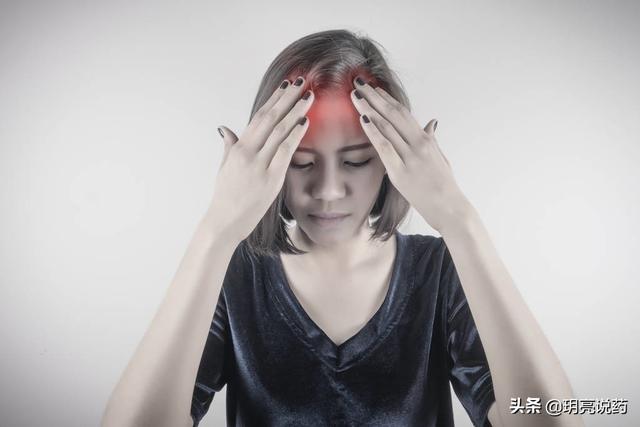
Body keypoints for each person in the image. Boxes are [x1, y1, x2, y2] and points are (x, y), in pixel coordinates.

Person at [102, 30, 582, 427]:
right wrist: (216, 231)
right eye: (301, 162)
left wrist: (460, 220)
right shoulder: (235, 276)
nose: (329, 191)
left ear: (392, 159)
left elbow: (555, 420)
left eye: (356, 161)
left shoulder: (439, 272)